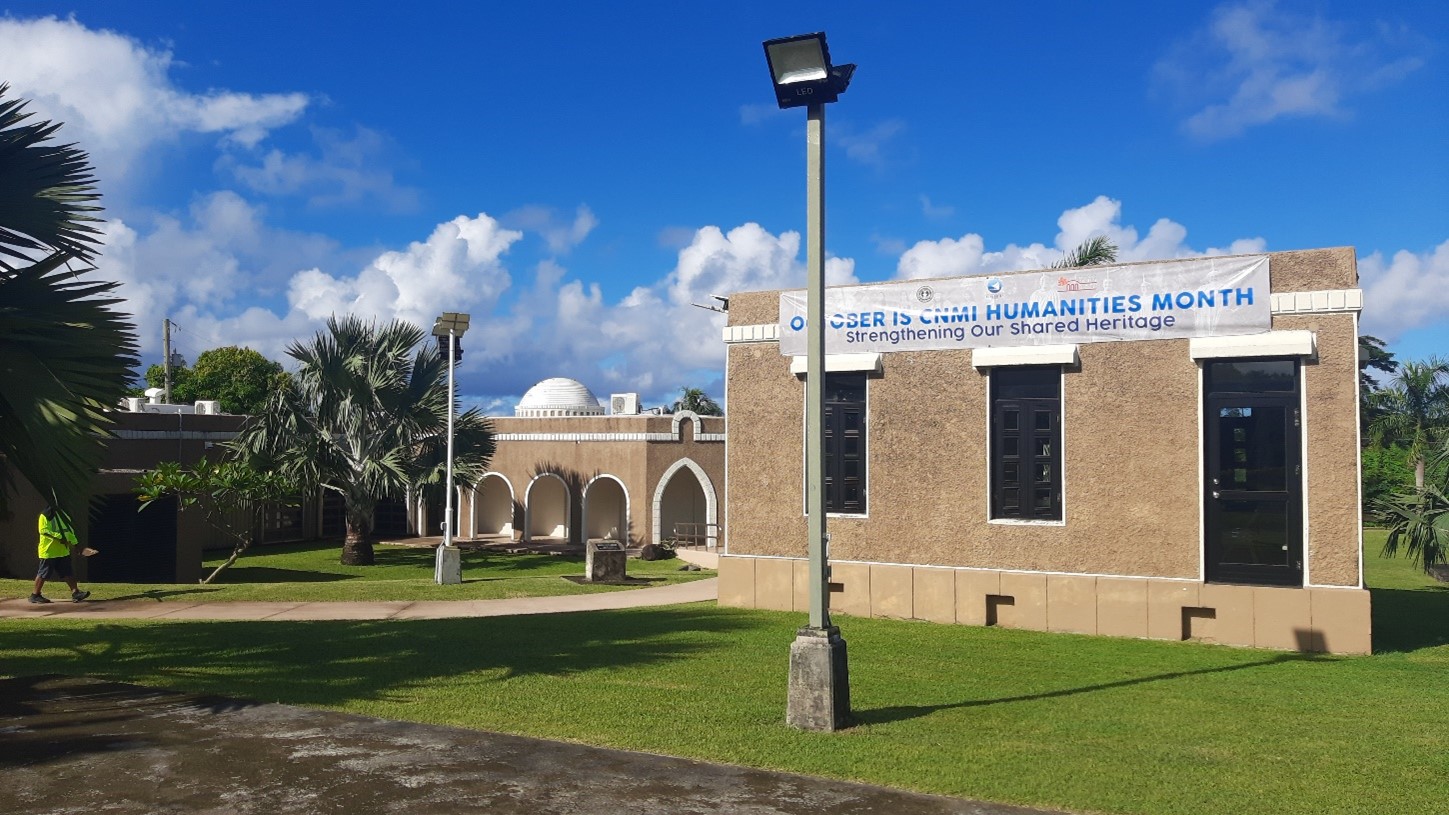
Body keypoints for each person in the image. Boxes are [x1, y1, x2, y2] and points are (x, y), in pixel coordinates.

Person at [32, 506, 92, 604]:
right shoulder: (45, 515)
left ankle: (75, 592)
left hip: (63, 551)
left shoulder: (65, 516)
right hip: (49, 551)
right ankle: (35, 594)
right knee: (43, 573)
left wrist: (76, 544)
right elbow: (43, 530)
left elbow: (69, 532)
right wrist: (59, 537)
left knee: (68, 572)